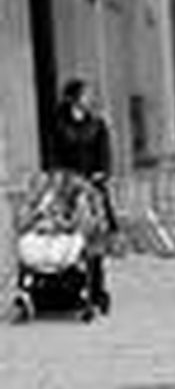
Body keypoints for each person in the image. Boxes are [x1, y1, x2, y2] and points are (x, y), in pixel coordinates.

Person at [49, 78, 114, 313]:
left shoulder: (97, 124)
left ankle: (97, 290)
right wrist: (61, 178)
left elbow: (105, 156)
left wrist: (101, 174)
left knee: (94, 241)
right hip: (67, 189)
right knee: (68, 239)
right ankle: (70, 289)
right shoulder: (58, 125)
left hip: (92, 189)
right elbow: (54, 156)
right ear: (73, 98)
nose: (90, 99)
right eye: (86, 95)